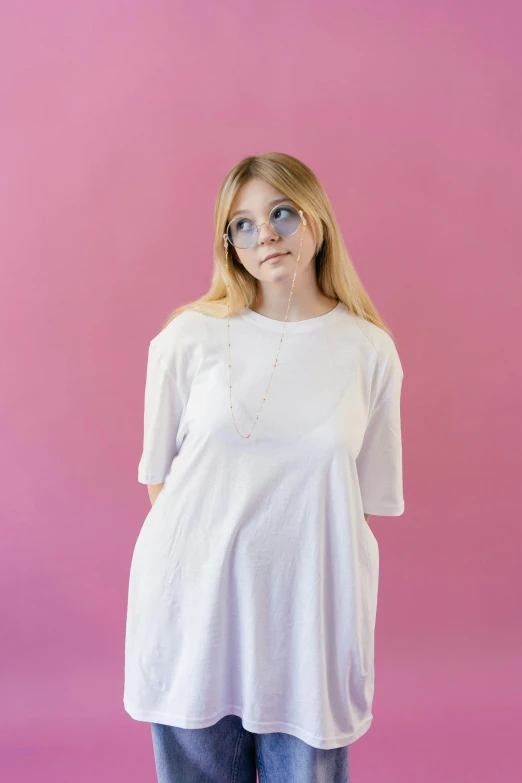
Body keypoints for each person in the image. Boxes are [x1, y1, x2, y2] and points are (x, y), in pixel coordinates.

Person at [124, 151, 405, 782]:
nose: (266, 234)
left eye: (281, 213)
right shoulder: (185, 339)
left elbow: (360, 503)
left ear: (317, 220)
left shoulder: (369, 352)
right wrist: (208, 580)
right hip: (195, 617)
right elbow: (158, 480)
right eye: (243, 224)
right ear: (228, 243)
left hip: (309, 625)